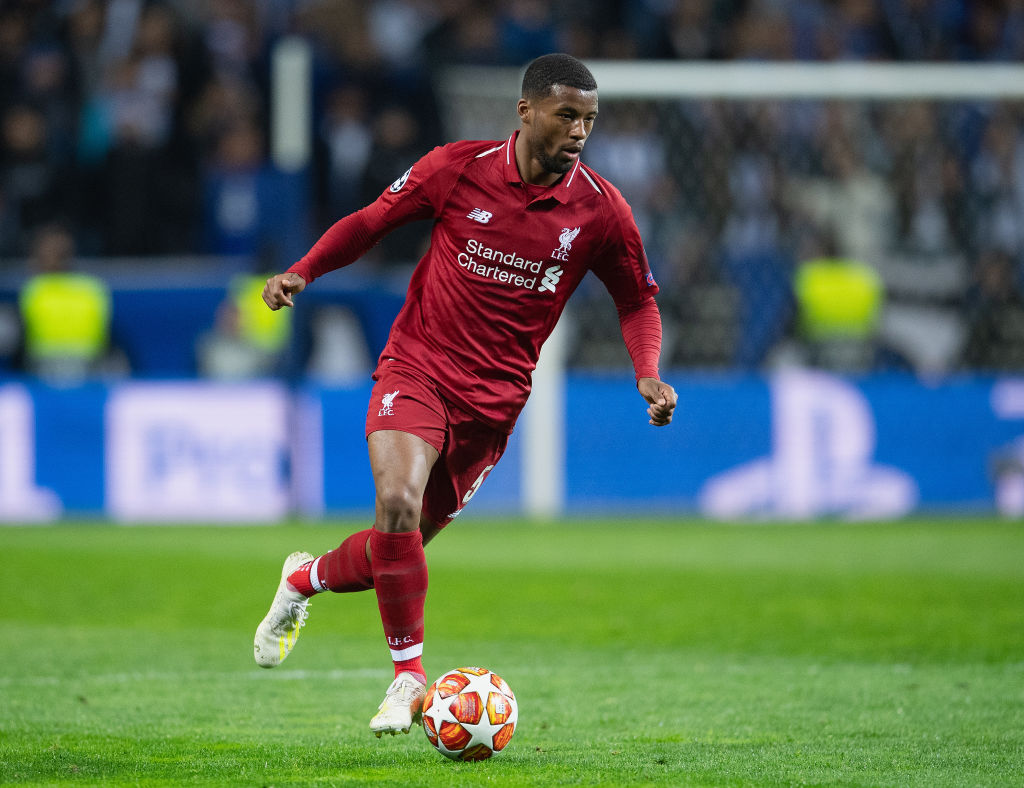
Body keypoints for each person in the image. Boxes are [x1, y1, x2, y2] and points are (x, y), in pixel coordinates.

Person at [253, 53, 678, 738]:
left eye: (589, 121)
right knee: (395, 502)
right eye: (567, 115)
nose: (578, 132)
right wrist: (304, 271)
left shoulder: (602, 211)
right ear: (527, 111)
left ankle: (304, 581)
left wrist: (647, 371)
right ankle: (407, 680)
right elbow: (369, 222)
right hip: (417, 367)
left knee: (402, 543)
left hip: (494, 403)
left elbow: (638, 300)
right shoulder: (457, 167)